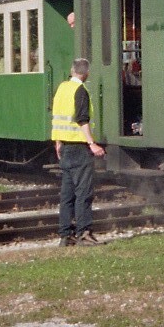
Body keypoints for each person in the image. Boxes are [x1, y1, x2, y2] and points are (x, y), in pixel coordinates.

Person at [52, 57, 105, 245]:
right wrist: (92, 144)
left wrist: (58, 141)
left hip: (65, 148)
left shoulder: (62, 88)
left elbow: (57, 116)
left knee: (67, 195)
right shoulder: (80, 90)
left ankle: (65, 235)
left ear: (72, 70)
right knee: (83, 193)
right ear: (87, 73)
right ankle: (84, 232)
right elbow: (82, 119)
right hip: (80, 148)